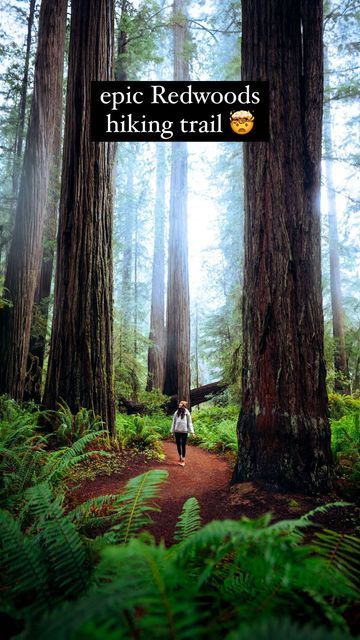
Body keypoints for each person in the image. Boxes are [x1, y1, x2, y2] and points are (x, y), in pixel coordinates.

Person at [170, 400, 194, 466]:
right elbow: (173, 422)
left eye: (181, 403)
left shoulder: (187, 412)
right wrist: (172, 431)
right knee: (178, 445)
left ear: (183, 405)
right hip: (177, 431)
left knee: (183, 445)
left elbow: (190, 423)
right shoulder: (176, 412)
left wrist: (192, 432)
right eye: (180, 403)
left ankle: (183, 459)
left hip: (184, 432)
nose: (179, 404)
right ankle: (180, 456)